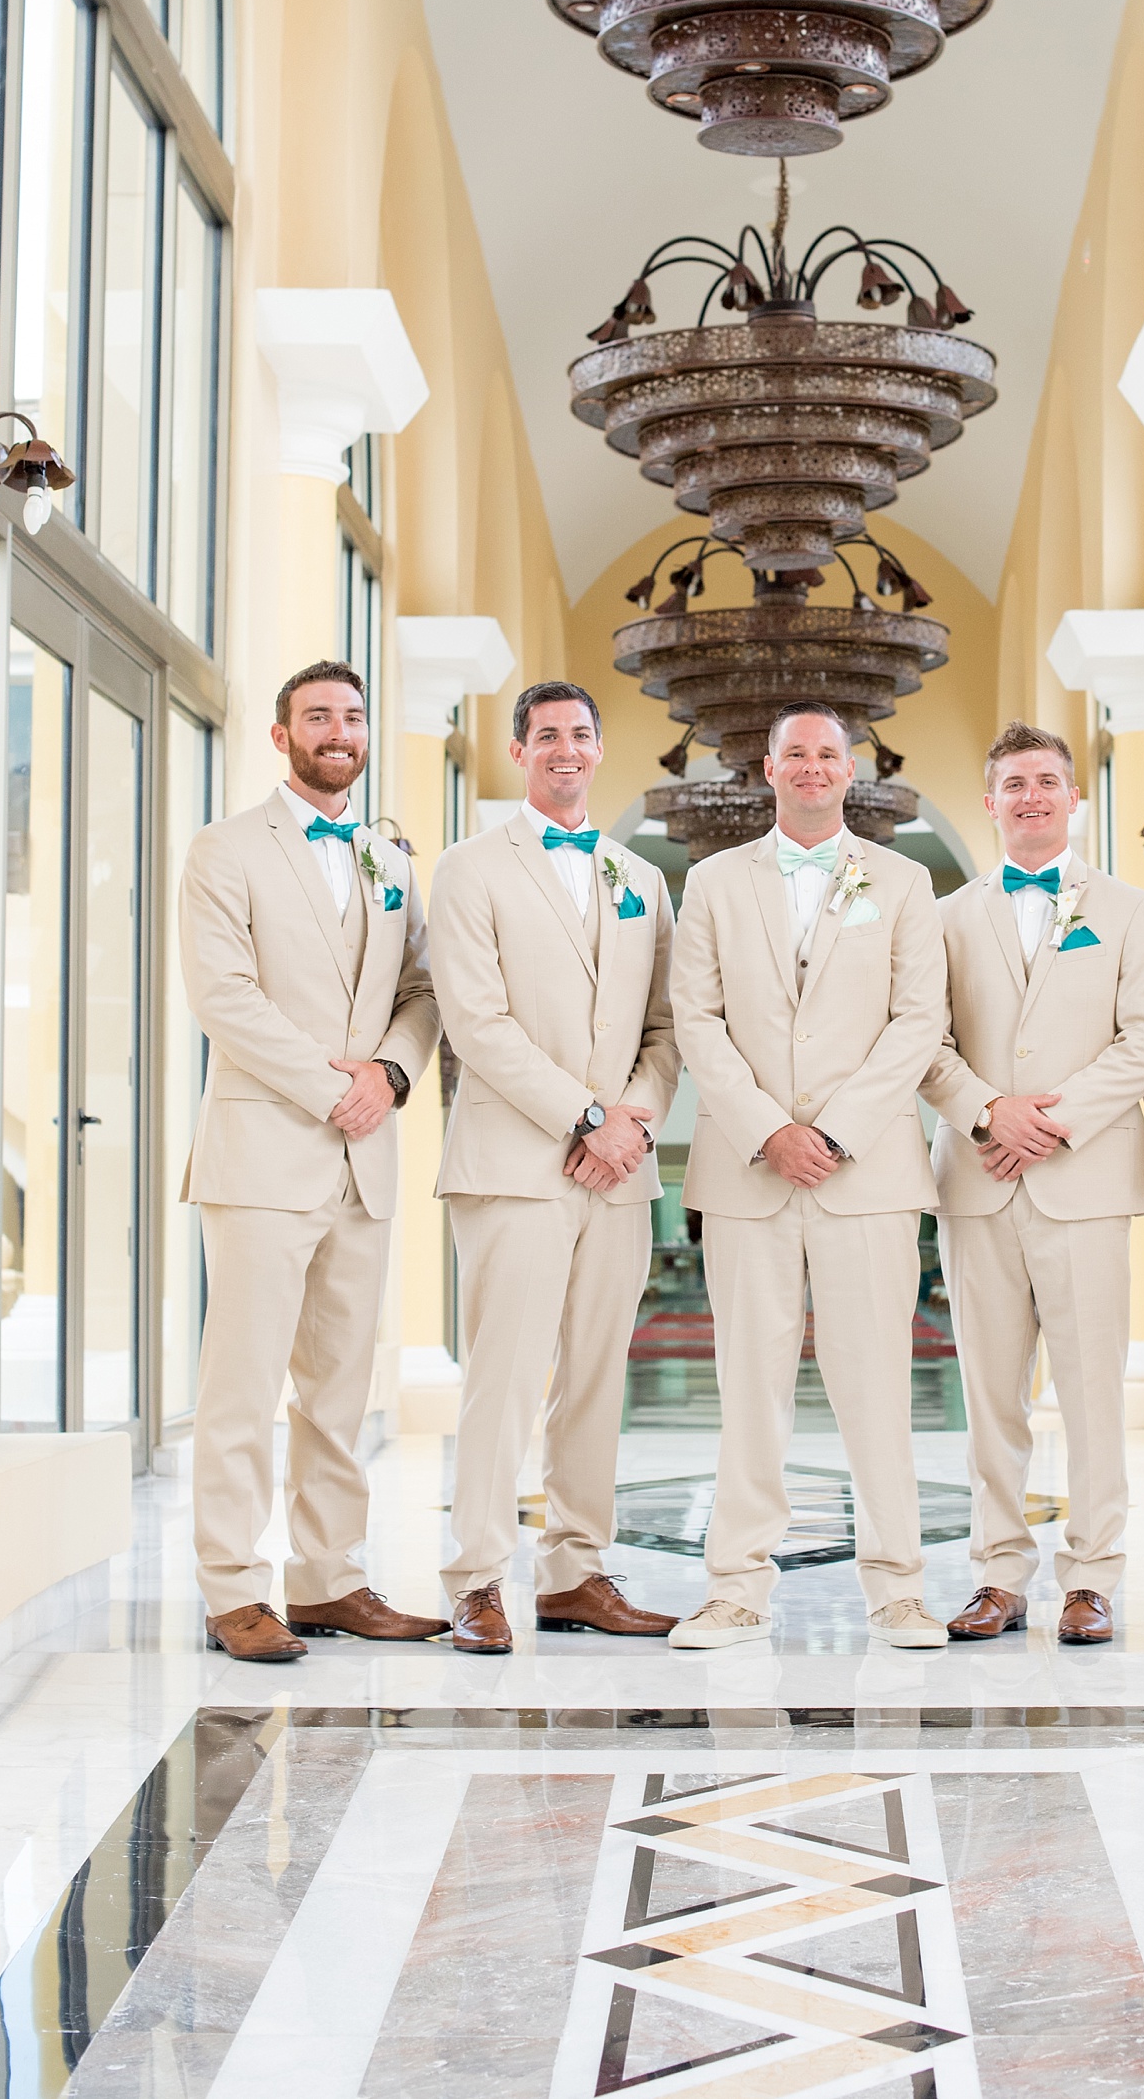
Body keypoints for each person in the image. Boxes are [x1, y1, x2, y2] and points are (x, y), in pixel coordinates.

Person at [667, 702, 949, 1649]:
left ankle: (898, 1590)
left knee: (876, 1384)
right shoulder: (711, 882)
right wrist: (766, 1131)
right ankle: (736, 1588)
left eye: (830, 754)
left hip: (865, 1172)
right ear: (769, 766)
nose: (814, 767)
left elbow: (919, 1021)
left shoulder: (904, 883)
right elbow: (695, 1019)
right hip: (747, 1172)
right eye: (796, 753)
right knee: (751, 1385)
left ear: (851, 770)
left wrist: (830, 1131)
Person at [179, 660, 444, 1661]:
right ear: (282, 735)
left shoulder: (387, 854)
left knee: (340, 1389)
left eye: (352, 715)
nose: (339, 729)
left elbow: (421, 990)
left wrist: (388, 1072)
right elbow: (225, 997)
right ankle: (231, 1588)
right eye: (318, 716)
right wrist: (334, 1085)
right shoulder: (226, 849)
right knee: (242, 1387)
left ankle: (329, 1579)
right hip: (261, 1151)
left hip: (364, 1153)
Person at [427, 681, 679, 1652]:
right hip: (513, 1163)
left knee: (594, 1376)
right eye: (546, 736)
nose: (564, 749)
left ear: (600, 746)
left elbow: (663, 1028)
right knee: (504, 1373)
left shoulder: (637, 877)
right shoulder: (469, 869)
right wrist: (583, 1114)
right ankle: (478, 1576)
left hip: (616, 1171)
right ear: (517, 748)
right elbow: (475, 1022)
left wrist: (629, 1122)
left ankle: (576, 1568)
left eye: (580, 733)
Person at [923, 722, 1144, 1643]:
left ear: (1075, 799)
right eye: (1012, 784)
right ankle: (997, 1573)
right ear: (989, 803)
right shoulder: (946, 916)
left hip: (1087, 1182)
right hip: (979, 1180)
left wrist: (1051, 1120)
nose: (1030, 797)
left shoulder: (1131, 911)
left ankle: (1093, 1578)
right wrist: (993, 1112)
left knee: (1091, 1390)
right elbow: (925, 1042)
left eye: (1046, 781)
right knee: (990, 1393)